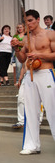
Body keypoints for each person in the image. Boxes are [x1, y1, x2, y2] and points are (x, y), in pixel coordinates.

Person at [11, 9, 55, 155]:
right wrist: (16, 48)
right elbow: (22, 59)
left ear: (38, 19)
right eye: (26, 21)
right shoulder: (26, 38)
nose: (28, 24)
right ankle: (32, 145)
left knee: (52, 109)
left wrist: (39, 54)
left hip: (46, 73)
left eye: (30, 20)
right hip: (30, 75)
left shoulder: (49, 34)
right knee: (30, 111)